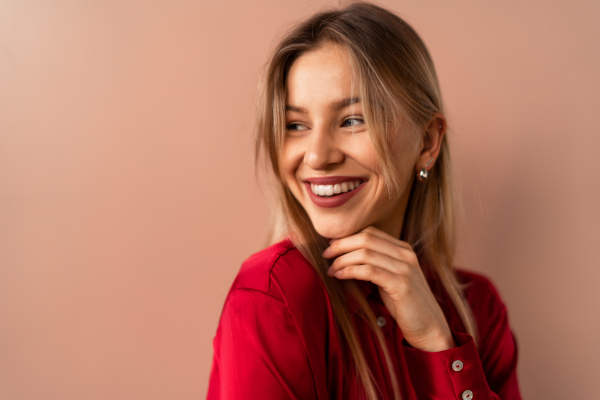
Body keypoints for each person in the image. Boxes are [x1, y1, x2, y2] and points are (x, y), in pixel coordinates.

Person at [207, 2, 521, 399]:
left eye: (352, 120)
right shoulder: (271, 294)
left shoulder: (480, 307)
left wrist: (436, 341)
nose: (318, 156)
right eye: (295, 125)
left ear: (427, 142)